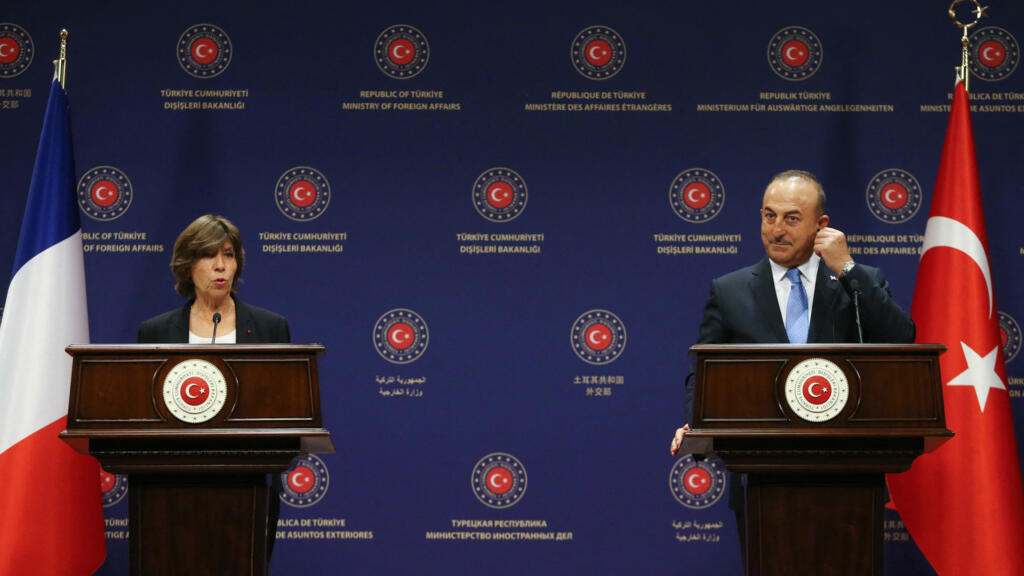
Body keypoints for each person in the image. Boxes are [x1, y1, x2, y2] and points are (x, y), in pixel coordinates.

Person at [667, 170, 915, 562]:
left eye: (791, 218)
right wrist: (698, 424)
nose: (776, 230)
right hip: (761, 478)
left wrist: (847, 269)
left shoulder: (857, 282)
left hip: (848, 473)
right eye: (769, 216)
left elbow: (902, 340)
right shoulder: (729, 291)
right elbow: (704, 369)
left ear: (822, 226)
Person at [138, 214, 289, 560]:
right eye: (209, 255)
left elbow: (283, 410)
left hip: (249, 483)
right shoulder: (156, 333)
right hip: (171, 485)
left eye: (229, 255)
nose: (221, 266)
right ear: (188, 265)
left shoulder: (270, 328)